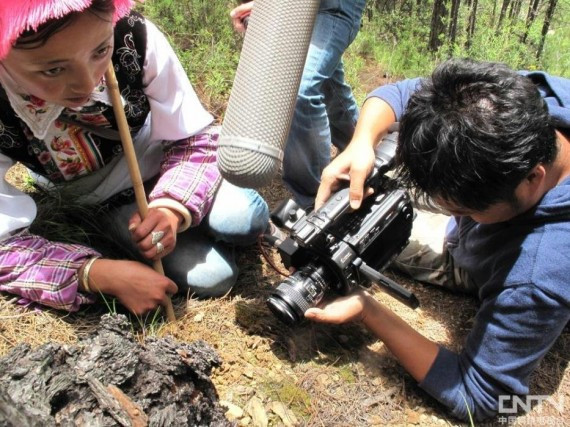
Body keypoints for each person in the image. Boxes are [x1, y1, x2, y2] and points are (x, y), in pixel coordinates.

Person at [308, 58, 570, 421]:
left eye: (463, 209)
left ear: (532, 179)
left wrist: (370, 311)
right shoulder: (522, 99)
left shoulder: (536, 274)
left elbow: (485, 400)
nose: (452, 215)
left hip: (508, 263)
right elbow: (398, 94)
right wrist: (362, 142)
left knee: (371, 233)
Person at [0, 0, 269, 315]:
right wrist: (95, 274)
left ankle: (226, 221)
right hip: (100, 201)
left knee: (243, 219)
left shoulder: (133, 37)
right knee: (213, 277)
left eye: (100, 52)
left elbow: (195, 138)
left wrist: (171, 208)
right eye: (53, 69)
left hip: (165, 160)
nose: (87, 83)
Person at [230, 0, 366, 208]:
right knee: (329, 87)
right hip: (295, 6)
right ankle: (361, 148)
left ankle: (318, 200)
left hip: (334, 6)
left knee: (298, 90)